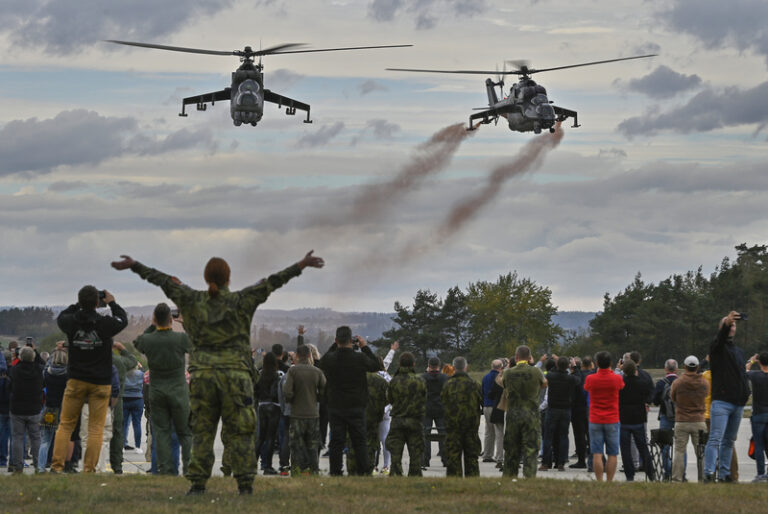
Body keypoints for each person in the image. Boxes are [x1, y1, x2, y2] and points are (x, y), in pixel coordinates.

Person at [111, 250, 324, 495]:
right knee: (241, 432)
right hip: (237, 377)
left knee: (202, 431)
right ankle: (245, 483)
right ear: (228, 278)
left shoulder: (192, 300)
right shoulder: (242, 300)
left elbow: (163, 280)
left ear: (206, 277)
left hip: (204, 376)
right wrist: (301, 264)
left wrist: (135, 265)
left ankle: (198, 483)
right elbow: (273, 281)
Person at [51, 287, 128, 473]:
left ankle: (57, 466)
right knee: (96, 428)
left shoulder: (71, 322)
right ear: (97, 303)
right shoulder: (105, 324)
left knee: (66, 424)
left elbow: (62, 316)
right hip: (100, 381)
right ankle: (89, 469)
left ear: (80, 301)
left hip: (76, 379)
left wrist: (79, 304)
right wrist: (112, 302)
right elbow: (122, 319)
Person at [133, 302, 192, 475]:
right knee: (183, 434)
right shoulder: (180, 339)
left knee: (160, 434)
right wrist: (185, 323)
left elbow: (138, 342)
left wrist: (153, 325)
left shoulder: (149, 340)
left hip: (157, 391)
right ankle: (188, 469)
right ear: (171, 320)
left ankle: (161, 470)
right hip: (179, 391)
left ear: (155, 320)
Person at [319, 327, 380, 476]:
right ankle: (363, 471)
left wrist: (334, 346)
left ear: (336, 340)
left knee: (336, 442)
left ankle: (335, 471)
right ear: (351, 340)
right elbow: (375, 365)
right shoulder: (359, 358)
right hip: (356, 405)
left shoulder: (331, 359)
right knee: (359, 441)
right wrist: (364, 347)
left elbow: (322, 362)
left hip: (335, 405)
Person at [704, 311, 750, 483]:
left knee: (729, 441)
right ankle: (709, 473)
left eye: (734, 325)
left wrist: (745, 394)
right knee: (715, 438)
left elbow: (741, 374)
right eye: (729, 325)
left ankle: (725, 474)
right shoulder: (717, 348)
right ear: (722, 328)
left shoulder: (738, 351)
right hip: (722, 402)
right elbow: (719, 340)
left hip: (738, 403)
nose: (732, 328)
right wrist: (726, 323)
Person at [502, 345, 546, 478]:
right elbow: (544, 384)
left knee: (511, 448)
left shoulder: (508, 373)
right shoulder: (536, 372)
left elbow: (503, 384)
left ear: (516, 357)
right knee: (531, 447)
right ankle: (529, 476)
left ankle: (509, 476)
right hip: (531, 414)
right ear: (529, 357)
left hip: (513, 414)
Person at [283, 344, 326, 474]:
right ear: (309, 355)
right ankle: (313, 471)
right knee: (312, 446)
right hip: (313, 414)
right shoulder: (317, 372)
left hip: (297, 414)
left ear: (296, 356)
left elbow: (287, 392)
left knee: (296, 446)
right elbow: (324, 389)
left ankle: (296, 471)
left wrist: (292, 400)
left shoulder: (293, 371)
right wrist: (315, 398)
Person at [584, 351, 624, 482]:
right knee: (612, 453)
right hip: (612, 418)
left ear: (596, 364)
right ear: (611, 364)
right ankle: (609, 481)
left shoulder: (591, 379)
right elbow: (621, 386)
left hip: (595, 418)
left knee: (597, 452)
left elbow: (586, 388)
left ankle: (599, 480)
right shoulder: (616, 378)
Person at [386, 352, 427, 476]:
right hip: (415, 421)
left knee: (395, 453)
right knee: (415, 453)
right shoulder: (420, 381)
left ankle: (396, 474)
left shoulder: (394, 381)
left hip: (398, 420)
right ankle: (415, 475)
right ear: (413, 364)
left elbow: (390, 399)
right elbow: (424, 399)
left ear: (399, 364)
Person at [441, 356, 482, 477]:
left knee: (453, 458)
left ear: (453, 368)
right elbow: (483, 402)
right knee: (472, 459)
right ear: (466, 367)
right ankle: (473, 483)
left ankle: (454, 484)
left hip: (453, 427)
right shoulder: (475, 384)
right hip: (471, 428)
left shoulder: (448, 385)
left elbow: (443, 402)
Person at [670, 355, 709, 482]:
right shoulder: (704, 382)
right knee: (701, 452)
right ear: (697, 367)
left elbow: (673, 397)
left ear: (684, 366)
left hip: (682, 420)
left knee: (679, 451)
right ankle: (702, 478)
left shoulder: (678, 382)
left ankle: (677, 478)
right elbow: (706, 395)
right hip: (699, 420)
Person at [618, 359, 655, 481]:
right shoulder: (642, 383)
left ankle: (630, 474)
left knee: (625, 448)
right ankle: (650, 472)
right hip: (639, 418)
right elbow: (650, 393)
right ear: (635, 370)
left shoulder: (621, 384)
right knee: (643, 447)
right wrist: (647, 402)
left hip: (624, 418)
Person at [9, 346, 45, 472]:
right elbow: (43, 363)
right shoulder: (39, 370)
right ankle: (38, 465)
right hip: (34, 408)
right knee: (36, 438)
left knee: (17, 438)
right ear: (34, 357)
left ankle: (18, 466)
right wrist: (36, 351)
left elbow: (9, 386)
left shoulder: (14, 370)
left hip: (17, 408)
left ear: (20, 357)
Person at [540, 356, 579, 471]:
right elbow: (579, 378)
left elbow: (549, 372)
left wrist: (555, 363)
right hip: (566, 409)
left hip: (552, 409)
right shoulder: (570, 378)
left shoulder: (551, 376)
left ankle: (546, 462)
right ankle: (561, 462)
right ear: (568, 366)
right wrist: (574, 367)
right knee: (563, 436)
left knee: (548, 436)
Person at [37, 347, 69, 473]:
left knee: (45, 439)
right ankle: (58, 465)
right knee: (62, 438)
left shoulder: (47, 373)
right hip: (63, 408)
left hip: (49, 408)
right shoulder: (68, 375)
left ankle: (40, 467)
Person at [109, 340, 138, 474]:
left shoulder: (94, 360)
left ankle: (93, 463)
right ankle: (117, 465)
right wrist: (122, 348)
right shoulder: (119, 361)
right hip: (117, 399)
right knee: (117, 432)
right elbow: (132, 361)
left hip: (95, 397)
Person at [254, 352, 282, 475]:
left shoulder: (260, 375)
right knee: (270, 438)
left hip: (262, 406)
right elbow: (277, 392)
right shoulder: (276, 376)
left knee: (260, 437)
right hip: (274, 407)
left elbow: (255, 391)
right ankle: (268, 466)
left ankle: (251, 465)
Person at [652, 358, 679, 480]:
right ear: (677, 369)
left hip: (665, 415)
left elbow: (656, 401)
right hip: (680, 416)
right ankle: (680, 474)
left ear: (665, 369)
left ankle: (667, 472)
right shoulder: (680, 382)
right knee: (680, 446)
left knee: (665, 445)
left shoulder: (661, 383)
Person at [421, 357, 448, 468]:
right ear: (439, 365)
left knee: (425, 435)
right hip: (441, 408)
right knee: (443, 434)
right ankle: (445, 459)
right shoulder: (445, 378)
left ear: (429, 365)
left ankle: (425, 459)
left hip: (427, 408)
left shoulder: (423, 378)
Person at [746, 352, 768, 481]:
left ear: (760, 362)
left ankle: (760, 473)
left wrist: (752, 360)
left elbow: (744, 370)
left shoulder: (755, 376)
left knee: (759, 445)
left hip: (758, 414)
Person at [570, 356, 592, 469]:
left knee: (579, 436)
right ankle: (593, 459)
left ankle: (581, 459)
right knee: (590, 434)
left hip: (577, 409)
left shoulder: (576, 376)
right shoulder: (593, 375)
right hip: (590, 408)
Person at [481, 359, 504, 464]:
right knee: (499, 432)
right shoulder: (500, 377)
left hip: (486, 406)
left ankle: (487, 454)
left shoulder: (485, 377)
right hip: (496, 406)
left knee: (488, 431)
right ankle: (499, 455)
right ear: (501, 367)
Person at [122, 364, 145, 452]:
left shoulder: (124, 373)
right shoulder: (140, 373)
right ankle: (138, 447)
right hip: (137, 398)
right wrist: (141, 367)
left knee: (123, 424)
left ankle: (122, 446)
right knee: (137, 423)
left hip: (125, 398)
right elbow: (145, 376)